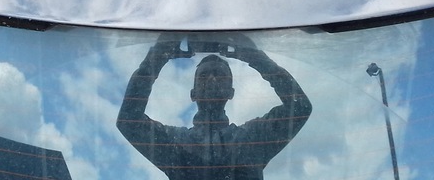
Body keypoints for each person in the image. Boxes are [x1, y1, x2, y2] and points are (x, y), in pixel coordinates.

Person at [116, 34, 312, 180]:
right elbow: (129, 121)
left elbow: (300, 106)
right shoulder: (176, 143)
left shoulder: (252, 137)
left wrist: (257, 59)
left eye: (220, 75)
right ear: (193, 94)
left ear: (231, 93)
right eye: (203, 76)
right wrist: (156, 57)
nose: (212, 79)